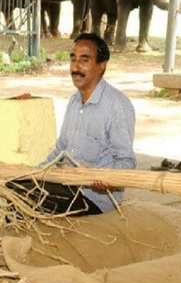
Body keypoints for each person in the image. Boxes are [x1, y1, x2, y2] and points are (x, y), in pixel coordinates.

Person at [39, 32, 136, 215]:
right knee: (18, 187)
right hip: (68, 187)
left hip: (94, 199)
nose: (76, 67)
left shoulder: (117, 106)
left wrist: (105, 176)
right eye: (73, 59)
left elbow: (127, 161)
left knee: (36, 200)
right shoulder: (74, 101)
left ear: (101, 66)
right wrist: (35, 173)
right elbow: (62, 149)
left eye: (84, 60)